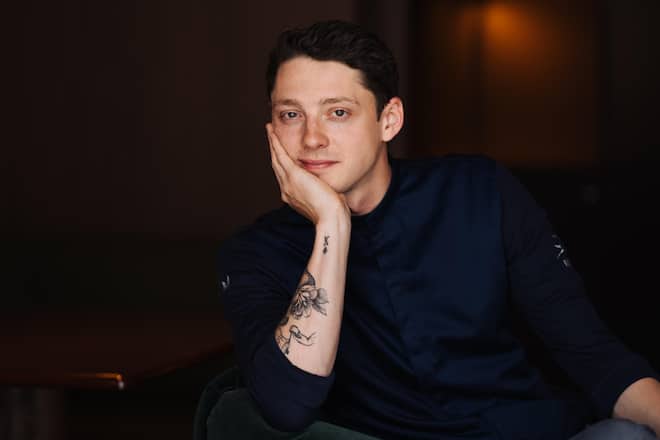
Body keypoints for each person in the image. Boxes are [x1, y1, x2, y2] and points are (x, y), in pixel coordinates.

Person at [212, 20, 660, 439]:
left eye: (338, 112)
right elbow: (287, 404)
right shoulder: (254, 253)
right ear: (271, 129)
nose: (312, 138)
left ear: (389, 120)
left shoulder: (480, 191)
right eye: (291, 115)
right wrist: (332, 224)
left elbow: (596, 358)